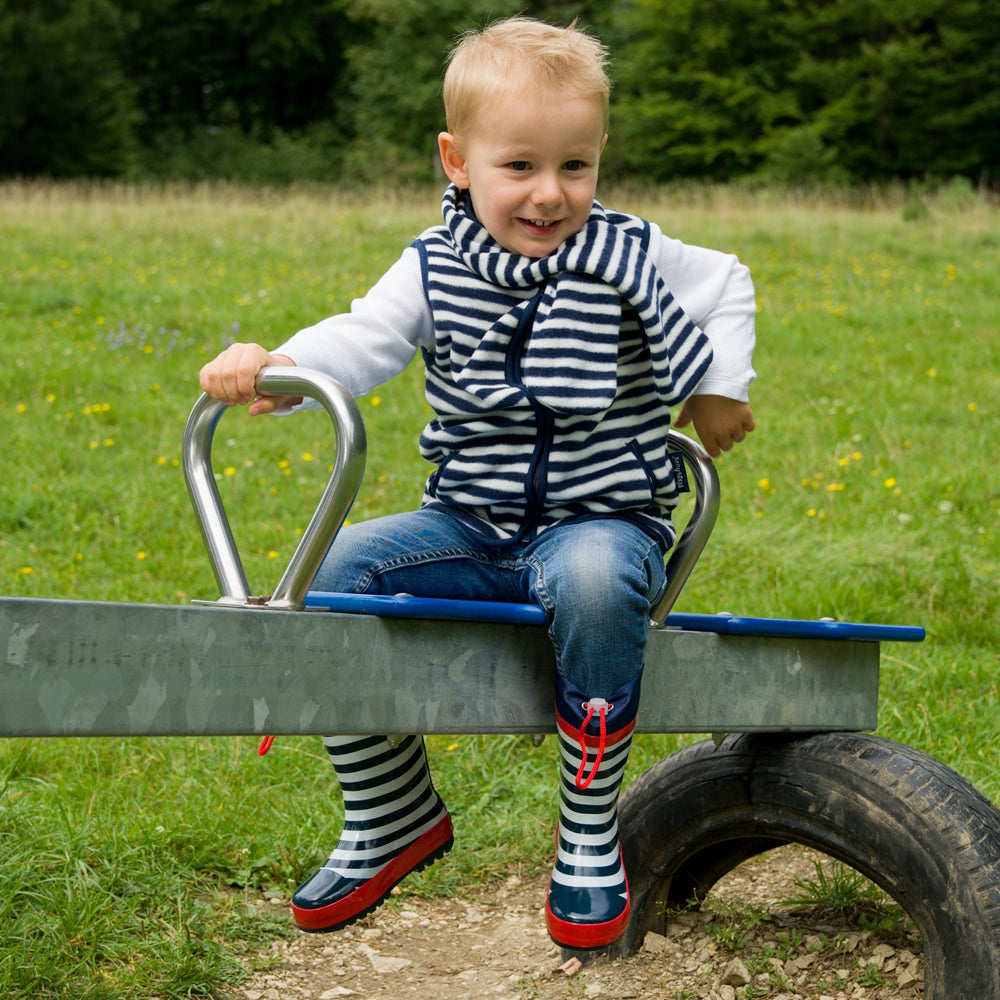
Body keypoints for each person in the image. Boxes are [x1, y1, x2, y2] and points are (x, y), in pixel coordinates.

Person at [199, 15, 756, 951]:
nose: (549, 194)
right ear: (457, 160)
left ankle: (588, 821)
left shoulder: (635, 254)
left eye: (575, 167)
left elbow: (728, 280)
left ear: (599, 158)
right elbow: (362, 335)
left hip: (600, 519)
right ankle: (393, 810)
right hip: (465, 522)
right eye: (520, 166)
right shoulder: (435, 264)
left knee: (591, 581)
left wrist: (715, 387)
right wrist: (278, 361)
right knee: (335, 572)